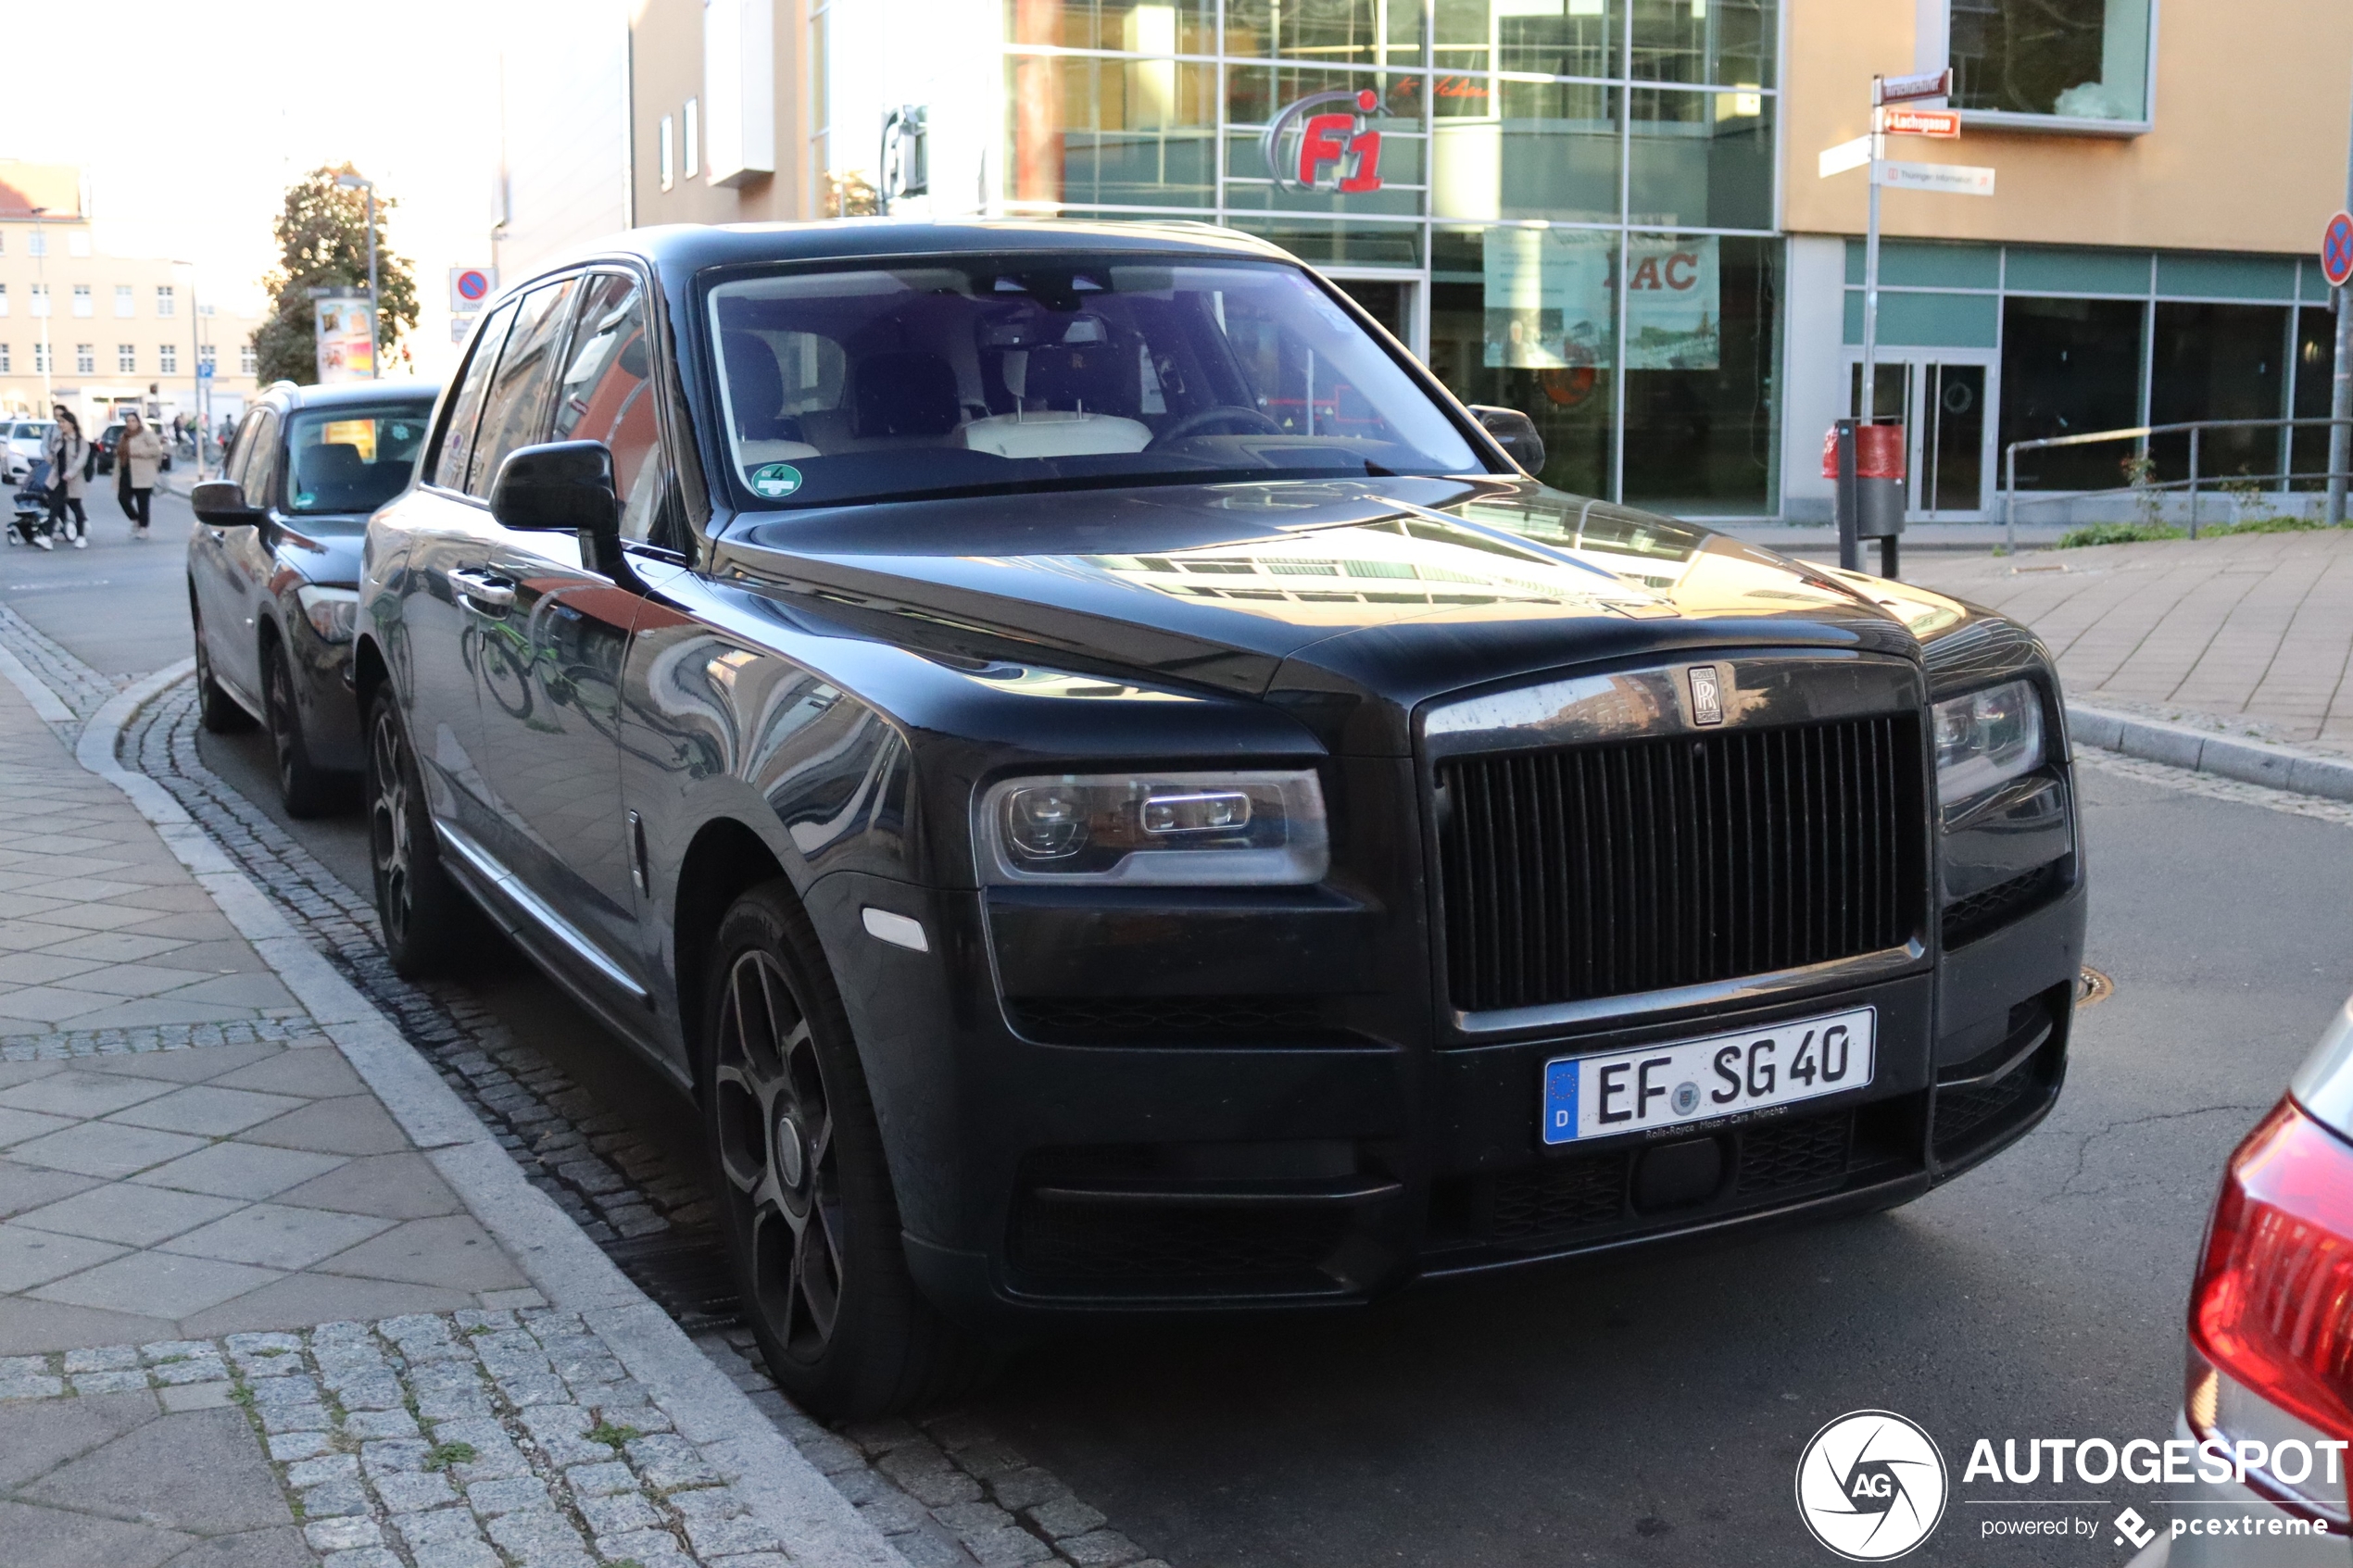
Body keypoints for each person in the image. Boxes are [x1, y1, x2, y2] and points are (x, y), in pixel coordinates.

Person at [39, 408, 89, 551]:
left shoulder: (81, 442)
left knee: (76, 507)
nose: (60, 425)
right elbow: (55, 458)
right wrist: (49, 458)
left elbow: (81, 461)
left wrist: (70, 473)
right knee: (54, 507)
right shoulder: (59, 439)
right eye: (59, 422)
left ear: (72, 424)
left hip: (72, 480)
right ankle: (47, 538)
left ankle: (81, 536)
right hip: (57, 479)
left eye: (63, 422)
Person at [115, 410, 162, 540]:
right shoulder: (124, 436)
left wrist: (139, 452)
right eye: (128, 421)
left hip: (143, 473)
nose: (130, 423)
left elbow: (156, 449)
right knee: (122, 498)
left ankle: (144, 528)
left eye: (133, 420)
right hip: (126, 472)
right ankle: (135, 520)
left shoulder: (146, 434)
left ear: (138, 422)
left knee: (143, 502)